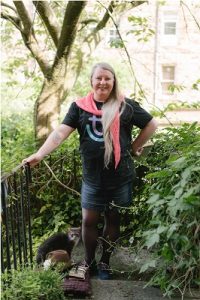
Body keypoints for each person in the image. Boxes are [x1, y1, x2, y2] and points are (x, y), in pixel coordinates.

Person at [23, 62, 158, 280]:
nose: (103, 82)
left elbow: (151, 124)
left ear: (113, 82)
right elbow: (60, 133)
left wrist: (134, 146)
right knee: (88, 221)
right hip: (93, 177)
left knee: (113, 220)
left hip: (120, 175)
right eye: (99, 78)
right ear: (91, 81)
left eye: (108, 78)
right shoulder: (79, 107)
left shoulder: (126, 106)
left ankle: (105, 262)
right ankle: (88, 261)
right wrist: (39, 155)